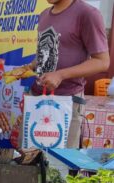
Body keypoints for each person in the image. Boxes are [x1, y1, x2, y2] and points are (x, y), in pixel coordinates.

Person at [29, 0, 110, 148]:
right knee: (29, 159)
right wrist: (29, 66)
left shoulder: (88, 14)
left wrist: (60, 75)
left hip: (67, 103)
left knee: (59, 165)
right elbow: (44, 55)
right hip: (37, 100)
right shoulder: (44, 15)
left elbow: (102, 62)